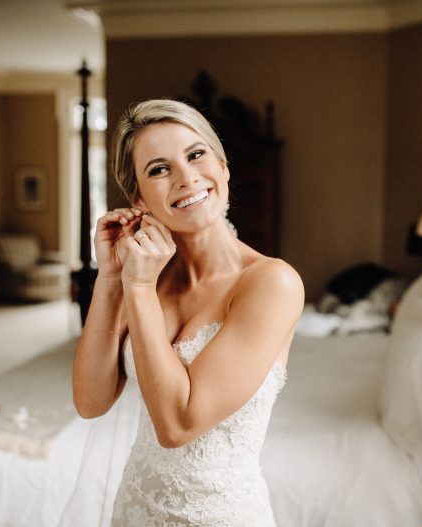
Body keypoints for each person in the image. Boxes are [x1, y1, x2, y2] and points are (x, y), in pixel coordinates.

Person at [71, 99, 304, 526]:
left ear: (223, 166)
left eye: (196, 155)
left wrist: (137, 288)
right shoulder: (145, 272)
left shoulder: (272, 283)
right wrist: (111, 279)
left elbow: (177, 426)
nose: (186, 178)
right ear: (138, 197)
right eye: (159, 169)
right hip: (135, 508)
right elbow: (90, 402)